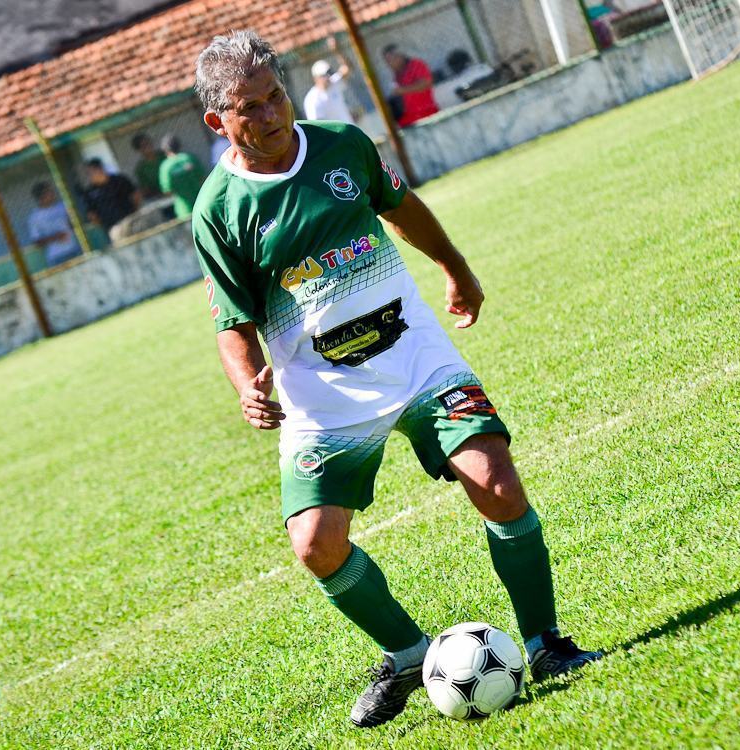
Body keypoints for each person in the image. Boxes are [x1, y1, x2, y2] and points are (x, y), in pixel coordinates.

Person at [191, 31, 601, 729]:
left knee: (497, 482)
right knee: (315, 545)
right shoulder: (219, 209)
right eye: (248, 107)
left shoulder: (342, 146)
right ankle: (409, 655)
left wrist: (456, 267)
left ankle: (545, 645)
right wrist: (244, 385)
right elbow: (231, 319)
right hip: (323, 396)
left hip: (415, 357)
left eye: (275, 96)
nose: (270, 114)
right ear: (217, 121)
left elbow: (401, 207)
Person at [382, 44, 439, 126]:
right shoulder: (396, 75)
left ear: (399, 56)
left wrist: (402, 90)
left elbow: (426, 83)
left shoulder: (416, 65)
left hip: (427, 115)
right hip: (407, 121)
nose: (389, 64)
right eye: (387, 62)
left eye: (390, 60)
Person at [28, 182, 82, 266]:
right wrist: (56, 237)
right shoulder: (34, 217)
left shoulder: (63, 206)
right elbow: (37, 242)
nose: (53, 193)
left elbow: (75, 224)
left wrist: (73, 224)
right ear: (42, 196)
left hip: (74, 249)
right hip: (56, 257)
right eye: (49, 191)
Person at [82, 158, 140, 234]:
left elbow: (136, 195)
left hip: (131, 221)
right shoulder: (89, 192)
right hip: (113, 229)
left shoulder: (119, 180)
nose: (89, 176)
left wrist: (134, 212)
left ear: (99, 169)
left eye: (90, 173)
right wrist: (105, 225)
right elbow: (92, 215)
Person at [158, 134, 206, 221]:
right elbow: (203, 179)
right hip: (202, 203)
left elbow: (167, 191)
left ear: (164, 149)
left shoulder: (165, 166)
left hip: (184, 209)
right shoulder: (189, 158)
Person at [303, 58, 353, 123]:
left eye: (329, 72)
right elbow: (316, 125)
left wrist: (337, 52)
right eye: (324, 75)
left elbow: (347, 68)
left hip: (349, 127)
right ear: (316, 78)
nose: (328, 76)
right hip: (335, 130)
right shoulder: (312, 99)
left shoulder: (333, 82)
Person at [131, 134, 166, 200]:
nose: (148, 146)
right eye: (143, 145)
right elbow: (146, 188)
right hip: (161, 197)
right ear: (139, 150)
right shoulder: (141, 168)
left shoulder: (164, 154)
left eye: (148, 143)